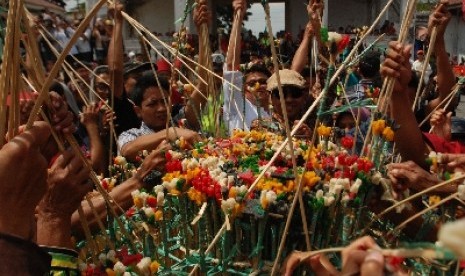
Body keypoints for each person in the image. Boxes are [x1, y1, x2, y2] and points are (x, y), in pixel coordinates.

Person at [223, 0, 272, 134]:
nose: (258, 85)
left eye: (263, 82)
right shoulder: (238, 105)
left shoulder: (278, 112)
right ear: (244, 90)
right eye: (252, 83)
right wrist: (238, 18)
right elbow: (231, 65)